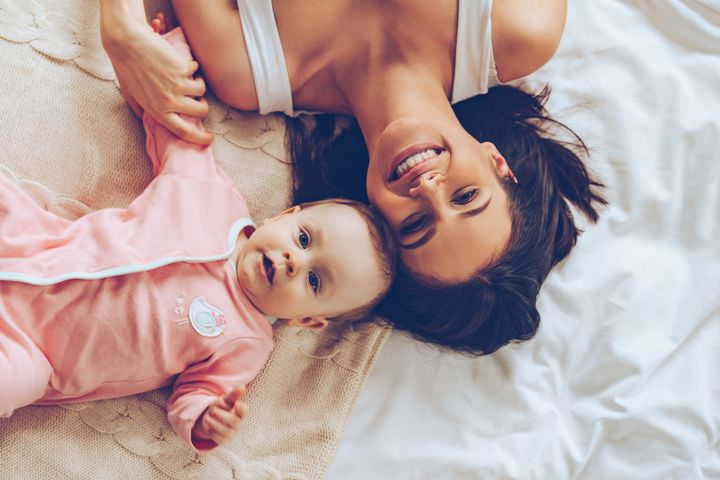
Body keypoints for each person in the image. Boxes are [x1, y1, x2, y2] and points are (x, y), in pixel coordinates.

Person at [98, 0, 606, 354]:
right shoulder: (517, 29)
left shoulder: (246, 69)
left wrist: (120, 25)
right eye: (467, 196)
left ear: (374, 224)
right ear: (498, 163)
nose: (428, 188)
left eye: (415, 226)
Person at [0, 27, 396, 452]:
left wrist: (207, 420)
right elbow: (180, 131)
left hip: (35, 350)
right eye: (302, 238)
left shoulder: (245, 343)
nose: (294, 261)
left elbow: (195, 396)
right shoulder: (211, 195)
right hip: (35, 244)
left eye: (315, 281)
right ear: (285, 215)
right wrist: (169, 54)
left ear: (307, 321)